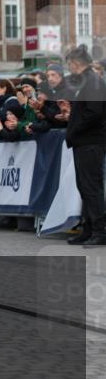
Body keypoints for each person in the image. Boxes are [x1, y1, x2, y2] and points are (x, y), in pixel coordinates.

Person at [62, 46, 106, 246]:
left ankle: (99, 230)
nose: (69, 68)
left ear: (76, 63)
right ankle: (88, 229)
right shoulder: (88, 81)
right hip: (85, 142)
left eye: (70, 63)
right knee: (85, 188)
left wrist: (75, 129)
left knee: (92, 188)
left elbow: (94, 113)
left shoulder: (93, 82)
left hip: (90, 142)